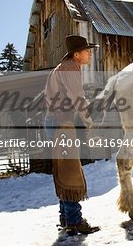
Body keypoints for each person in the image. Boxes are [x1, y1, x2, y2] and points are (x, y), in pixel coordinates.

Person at [44, 35, 100, 235]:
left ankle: (66, 218)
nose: (90, 54)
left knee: (64, 168)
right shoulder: (70, 67)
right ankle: (74, 220)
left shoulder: (62, 67)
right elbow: (78, 97)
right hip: (61, 123)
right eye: (87, 51)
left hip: (57, 122)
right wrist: (88, 120)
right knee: (70, 170)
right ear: (77, 54)